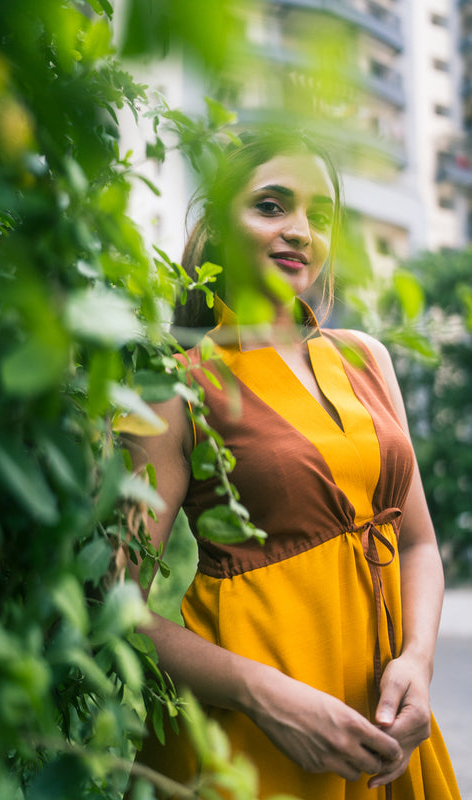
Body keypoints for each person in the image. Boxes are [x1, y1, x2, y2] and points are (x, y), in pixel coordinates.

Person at [127, 129, 461, 800]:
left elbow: (418, 543)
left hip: (385, 735)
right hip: (251, 746)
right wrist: (264, 694)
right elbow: (115, 604)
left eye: (320, 215)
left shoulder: (367, 358)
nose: (301, 232)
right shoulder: (173, 387)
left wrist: (418, 663)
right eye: (271, 205)